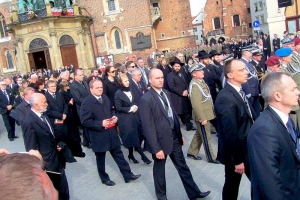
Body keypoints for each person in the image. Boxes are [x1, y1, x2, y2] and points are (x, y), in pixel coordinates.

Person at [139, 68, 210, 200]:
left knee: (183, 166)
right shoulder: (146, 99)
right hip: (160, 142)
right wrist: (156, 148)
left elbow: (173, 116)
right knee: (160, 171)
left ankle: (194, 193)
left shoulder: (166, 93)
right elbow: (148, 127)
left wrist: (179, 134)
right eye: (157, 78)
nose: (160, 80)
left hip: (174, 137)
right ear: (150, 80)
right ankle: (162, 197)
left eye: (161, 77)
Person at [248, 72, 300, 199]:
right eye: (293, 89)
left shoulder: (286, 119)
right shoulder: (264, 131)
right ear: (277, 96)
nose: (298, 92)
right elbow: (270, 184)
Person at [80, 79, 141, 186]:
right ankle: (104, 178)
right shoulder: (86, 102)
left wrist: (114, 116)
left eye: (101, 87)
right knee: (101, 159)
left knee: (119, 155)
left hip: (111, 132)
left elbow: (111, 109)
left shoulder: (105, 97)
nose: (100, 89)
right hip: (98, 135)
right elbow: (85, 121)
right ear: (91, 89)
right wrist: (100, 123)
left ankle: (128, 175)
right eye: (97, 88)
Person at [215, 59, 255, 200]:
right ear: (230, 75)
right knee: (256, 184)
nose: (246, 72)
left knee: (232, 185)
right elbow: (230, 133)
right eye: (241, 70)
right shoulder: (225, 98)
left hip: (246, 147)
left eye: (245, 69)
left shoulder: (239, 91)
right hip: (238, 152)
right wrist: (238, 160)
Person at [23, 93, 69, 199]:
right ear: (36, 105)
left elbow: (52, 133)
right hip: (47, 164)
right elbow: (31, 148)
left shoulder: (44, 114)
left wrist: (59, 143)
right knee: (55, 191)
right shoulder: (29, 121)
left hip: (57, 158)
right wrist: (40, 167)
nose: (47, 104)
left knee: (63, 189)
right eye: (44, 102)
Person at [114, 74, 151, 164]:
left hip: (134, 117)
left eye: (128, 80)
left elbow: (134, 101)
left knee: (136, 136)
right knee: (133, 138)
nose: (127, 82)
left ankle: (130, 155)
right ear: (120, 82)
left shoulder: (130, 90)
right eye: (125, 81)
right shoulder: (118, 93)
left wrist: (135, 106)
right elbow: (118, 107)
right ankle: (144, 157)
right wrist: (130, 109)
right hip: (125, 119)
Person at [186, 65, 219, 164]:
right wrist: (202, 118)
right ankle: (211, 157)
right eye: (200, 71)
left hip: (206, 113)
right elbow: (196, 104)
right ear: (194, 74)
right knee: (206, 136)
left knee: (200, 134)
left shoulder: (200, 82)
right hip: (202, 115)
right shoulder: (195, 85)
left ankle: (192, 152)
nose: (202, 71)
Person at [167, 57, 196, 131]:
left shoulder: (181, 74)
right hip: (176, 97)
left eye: (178, 66)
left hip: (184, 96)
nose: (177, 68)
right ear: (173, 66)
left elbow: (185, 83)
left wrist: (186, 90)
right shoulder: (170, 75)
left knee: (186, 112)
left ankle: (189, 126)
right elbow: (172, 87)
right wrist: (181, 92)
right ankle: (175, 128)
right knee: (178, 113)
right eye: (176, 66)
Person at [70, 69, 91, 148]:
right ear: (75, 76)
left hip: (89, 105)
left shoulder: (85, 82)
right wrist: (88, 103)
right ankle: (88, 141)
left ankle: (86, 141)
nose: (82, 76)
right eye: (80, 75)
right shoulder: (73, 86)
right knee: (86, 124)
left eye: (82, 75)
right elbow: (78, 99)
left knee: (88, 124)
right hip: (82, 108)